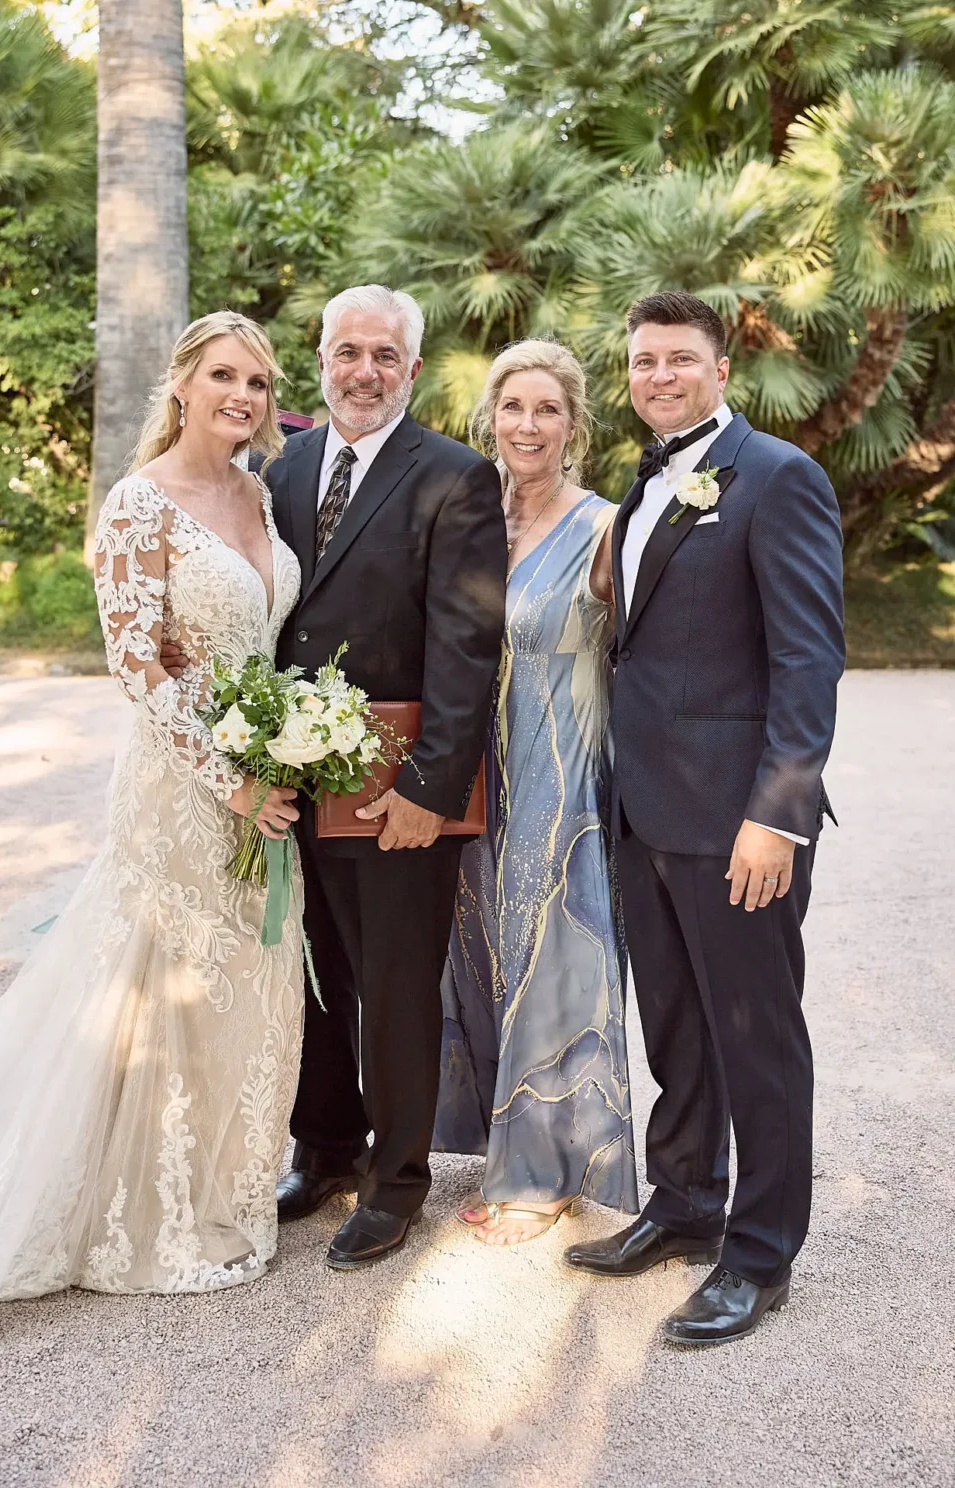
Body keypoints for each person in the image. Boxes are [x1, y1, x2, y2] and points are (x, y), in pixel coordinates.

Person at [0, 312, 306, 1340]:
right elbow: (136, 666)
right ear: (182, 384)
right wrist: (230, 783)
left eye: (257, 381)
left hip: (263, 775)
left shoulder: (259, 493)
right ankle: (140, 1216)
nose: (241, 395)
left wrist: (282, 751)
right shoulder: (137, 504)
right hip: (180, 786)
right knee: (158, 987)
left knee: (245, 984)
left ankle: (222, 1194)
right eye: (223, 376)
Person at [563, 291, 846, 1347]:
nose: (659, 376)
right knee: (677, 1027)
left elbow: (807, 660)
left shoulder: (776, 477)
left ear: (721, 370)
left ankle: (760, 1254)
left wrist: (777, 816)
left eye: (679, 358)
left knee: (754, 1036)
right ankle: (684, 1203)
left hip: (737, 824)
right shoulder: (643, 482)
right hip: (646, 809)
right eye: (643, 361)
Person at [249, 286, 506, 1269]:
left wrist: (430, 793)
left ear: (412, 368)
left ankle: (397, 1182)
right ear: (320, 358)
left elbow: (466, 649)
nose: (364, 371)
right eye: (347, 352)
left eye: (384, 355)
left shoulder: (454, 476)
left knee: (396, 987)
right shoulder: (281, 467)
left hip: (396, 789)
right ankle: (323, 1151)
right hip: (294, 782)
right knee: (312, 977)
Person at [433, 340, 638, 1245]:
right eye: (513, 406)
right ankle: (489, 1135)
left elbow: (655, 650)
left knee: (553, 946)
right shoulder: (466, 515)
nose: (528, 424)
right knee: (474, 946)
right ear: (491, 417)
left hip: (560, 767)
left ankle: (546, 1166)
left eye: (547, 409)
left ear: (573, 424)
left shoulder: (604, 527)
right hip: (471, 772)